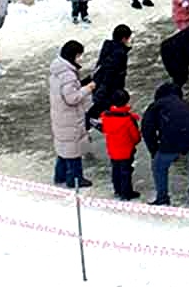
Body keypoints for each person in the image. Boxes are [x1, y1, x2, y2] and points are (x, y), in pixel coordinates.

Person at [143, 83, 189, 207]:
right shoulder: (183, 104)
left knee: (159, 166)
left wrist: (154, 151)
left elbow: (147, 130)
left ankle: (162, 198)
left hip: (173, 139)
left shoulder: (155, 106)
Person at [50, 40, 95, 188]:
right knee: (73, 149)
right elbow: (72, 98)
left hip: (60, 115)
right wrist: (88, 88)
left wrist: (80, 84)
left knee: (63, 148)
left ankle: (60, 176)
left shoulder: (57, 71)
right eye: (79, 56)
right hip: (70, 117)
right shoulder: (68, 75)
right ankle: (75, 179)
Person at [100, 89, 142, 201]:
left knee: (116, 170)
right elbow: (135, 137)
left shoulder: (106, 117)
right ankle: (126, 193)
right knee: (126, 172)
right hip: (126, 151)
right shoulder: (128, 119)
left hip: (112, 149)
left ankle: (117, 190)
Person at [88, 24, 132, 125]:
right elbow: (110, 71)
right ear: (124, 38)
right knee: (106, 105)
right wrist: (104, 88)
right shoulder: (119, 53)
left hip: (103, 82)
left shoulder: (108, 46)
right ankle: (93, 120)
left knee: (104, 104)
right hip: (112, 85)